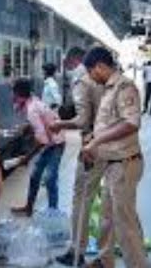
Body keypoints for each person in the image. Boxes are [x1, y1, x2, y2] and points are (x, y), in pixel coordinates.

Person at [79, 47, 148, 268]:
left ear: (100, 66)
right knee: (107, 218)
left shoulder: (124, 87)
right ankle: (104, 260)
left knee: (124, 221)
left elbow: (131, 123)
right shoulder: (108, 89)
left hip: (124, 163)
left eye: (91, 72)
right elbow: (112, 123)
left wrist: (97, 141)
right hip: (112, 164)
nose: (90, 77)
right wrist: (94, 136)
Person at [51, 46, 109, 267]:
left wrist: (60, 124)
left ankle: (77, 250)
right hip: (110, 143)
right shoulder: (108, 80)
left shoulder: (83, 81)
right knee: (109, 200)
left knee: (81, 198)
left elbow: (83, 119)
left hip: (93, 145)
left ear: (76, 60)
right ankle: (106, 253)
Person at [11, 77, 66, 216]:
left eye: (14, 93)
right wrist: (29, 127)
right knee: (35, 176)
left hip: (56, 143)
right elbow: (42, 124)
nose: (12, 96)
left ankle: (53, 213)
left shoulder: (31, 109)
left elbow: (41, 140)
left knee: (50, 179)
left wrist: (27, 157)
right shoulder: (33, 100)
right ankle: (29, 207)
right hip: (51, 141)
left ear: (19, 94)